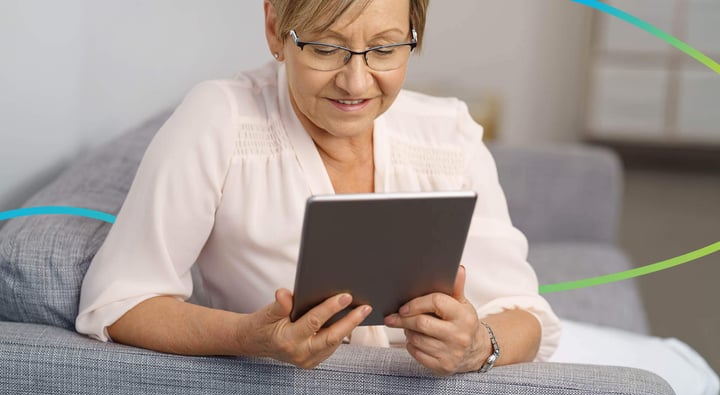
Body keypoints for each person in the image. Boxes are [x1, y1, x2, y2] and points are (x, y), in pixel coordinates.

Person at [76, 0, 560, 374]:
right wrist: (249, 337)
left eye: (386, 49)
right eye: (326, 48)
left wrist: (477, 345)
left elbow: (527, 317)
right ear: (274, 28)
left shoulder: (448, 134)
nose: (355, 82)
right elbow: (120, 303)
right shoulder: (219, 122)